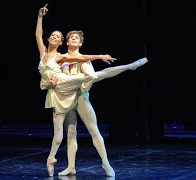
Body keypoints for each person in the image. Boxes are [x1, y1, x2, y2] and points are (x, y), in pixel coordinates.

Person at [36, 4, 148, 177]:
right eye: (70, 38)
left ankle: (106, 163)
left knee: (93, 129)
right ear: (65, 42)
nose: (73, 39)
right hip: (64, 97)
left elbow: (93, 77)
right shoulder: (62, 59)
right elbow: (51, 74)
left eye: (76, 38)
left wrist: (100, 58)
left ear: (81, 42)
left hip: (80, 97)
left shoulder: (83, 60)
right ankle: (71, 166)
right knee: (70, 133)